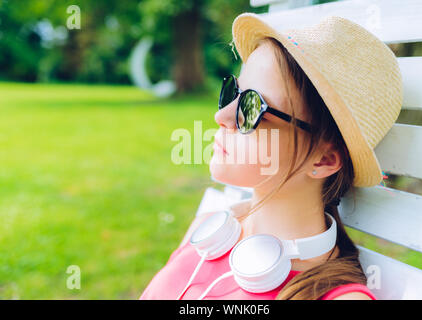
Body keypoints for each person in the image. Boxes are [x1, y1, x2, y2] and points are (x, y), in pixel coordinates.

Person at [140, 12, 402, 300]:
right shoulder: (210, 229)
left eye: (252, 106)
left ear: (324, 159)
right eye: (232, 93)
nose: (221, 116)